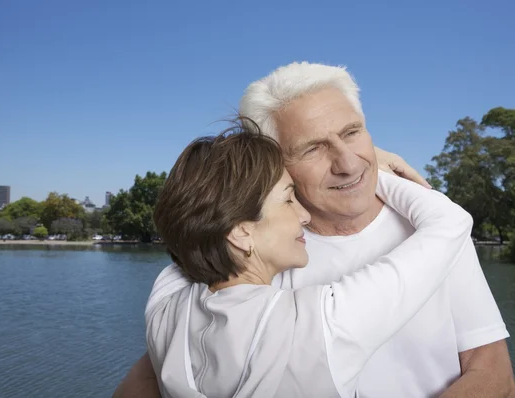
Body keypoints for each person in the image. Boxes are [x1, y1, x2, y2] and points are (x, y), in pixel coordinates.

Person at [113, 62, 515, 397]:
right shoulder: (255, 258)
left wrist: (373, 167)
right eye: (313, 148)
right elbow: (147, 380)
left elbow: (494, 378)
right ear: (275, 165)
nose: (347, 162)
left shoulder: (430, 234)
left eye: (353, 132)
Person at [147, 123, 472, 397]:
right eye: (289, 199)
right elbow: (451, 222)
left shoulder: (164, 310)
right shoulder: (325, 323)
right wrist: (367, 169)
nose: (303, 214)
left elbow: (186, 234)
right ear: (241, 232)